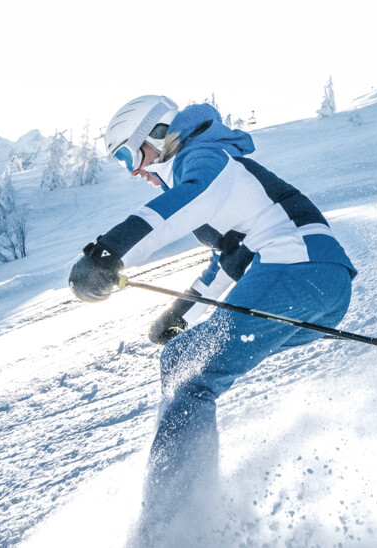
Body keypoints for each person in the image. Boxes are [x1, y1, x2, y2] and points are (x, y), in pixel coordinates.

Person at [68, 95, 357, 541]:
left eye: (128, 153)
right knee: (183, 356)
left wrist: (109, 252)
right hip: (317, 286)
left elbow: (184, 203)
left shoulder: (203, 158)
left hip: (299, 267)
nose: (131, 169)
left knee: (189, 371)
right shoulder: (211, 168)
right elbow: (228, 260)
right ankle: (184, 508)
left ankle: (173, 527)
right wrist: (179, 312)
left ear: (158, 133)